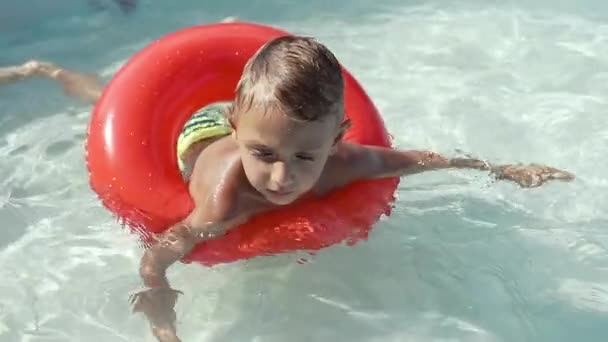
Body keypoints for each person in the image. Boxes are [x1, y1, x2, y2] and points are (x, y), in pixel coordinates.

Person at [1, 36, 575, 342]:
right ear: (240, 132)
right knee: (101, 100)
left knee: (282, 132)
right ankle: (50, 73)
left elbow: (423, 159)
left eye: (307, 156)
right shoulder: (228, 196)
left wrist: (501, 168)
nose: (282, 178)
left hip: (246, 123)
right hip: (196, 135)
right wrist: (162, 317)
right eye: (266, 157)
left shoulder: (344, 162)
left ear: (338, 139)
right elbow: (160, 254)